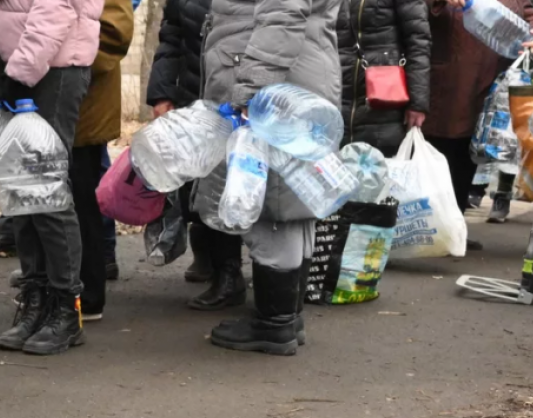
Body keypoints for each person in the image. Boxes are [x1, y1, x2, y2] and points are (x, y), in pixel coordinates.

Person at [200, 0, 339, 355]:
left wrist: (251, 88)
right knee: (291, 198)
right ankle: (288, 318)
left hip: (274, 84)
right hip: (296, 75)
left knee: (273, 202)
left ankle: (273, 324)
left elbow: (281, 14)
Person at [0, 0, 103, 355]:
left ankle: (65, 309)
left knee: (45, 189)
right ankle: (36, 300)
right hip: (12, 60)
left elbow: (56, 7)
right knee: (18, 188)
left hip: (51, 67)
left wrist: (20, 70)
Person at [147, 0, 247, 305]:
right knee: (201, 183)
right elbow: (171, 36)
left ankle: (243, 274)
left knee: (237, 185)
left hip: (239, 92)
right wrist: (162, 93)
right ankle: (219, 266)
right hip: (193, 92)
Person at [424, 0, 533, 249]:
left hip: (489, 83)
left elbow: (530, 14)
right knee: (439, 156)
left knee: (468, 156)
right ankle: (429, 230)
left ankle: (454, 230)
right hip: (448, 81)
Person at [72, 0, 134, 321]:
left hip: (83, 99)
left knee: (81, 198)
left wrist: (62, 60)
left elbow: (114, 31)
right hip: (56, 94)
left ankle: (88, 292)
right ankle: (54, 281)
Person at [337, 0, 431, 155]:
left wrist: (417, 104)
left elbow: (418, 42)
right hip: (339, 90)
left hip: (384, 96)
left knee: (379, 168)